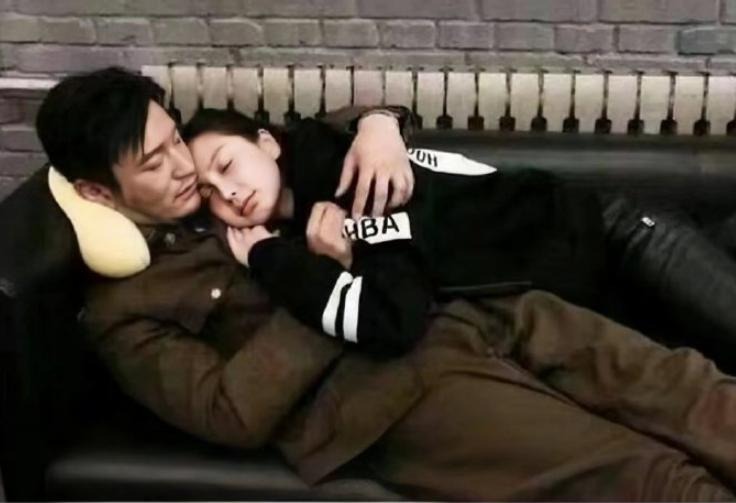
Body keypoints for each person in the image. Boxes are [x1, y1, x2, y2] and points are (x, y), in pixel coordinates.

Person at [33, 66, 736, 500]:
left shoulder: (217, 174)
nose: (185, 167)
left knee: (690, 391)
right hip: (388, 394)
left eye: (173, 139)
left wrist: (379, 124)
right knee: (644, 481)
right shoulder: (124, 309)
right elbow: (230, 413)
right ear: (97, 192)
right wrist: (317, 278)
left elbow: (306, 137)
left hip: (475, 301)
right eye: (153, 162)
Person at [182, 109, 606, 353]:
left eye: (226, 165)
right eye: (208, 192)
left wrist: (270, 259)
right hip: (569, 281)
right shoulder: (312, 194)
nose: (228, 193)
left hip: (601, 235)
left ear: (267, 143)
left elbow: (391, 322)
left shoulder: (348, 183)